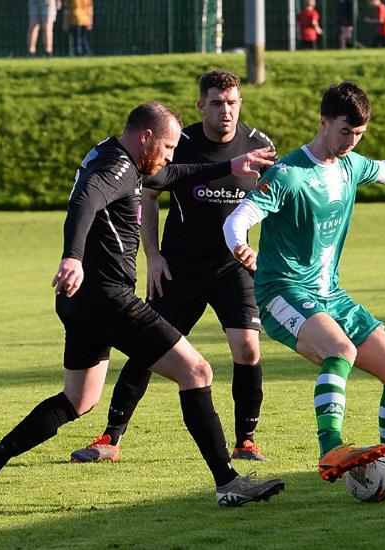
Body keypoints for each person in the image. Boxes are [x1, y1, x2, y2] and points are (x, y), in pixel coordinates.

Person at [0, 102, 285, 511]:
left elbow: (169, 176)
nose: (171, 155)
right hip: (107, 297)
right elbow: (85, 201)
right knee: (197, 371)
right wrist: (72, 256)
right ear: (145, 137)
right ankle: (228, 482)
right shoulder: (115, 167)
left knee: (78, 400)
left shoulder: (120, 157)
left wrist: (230, 165)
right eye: (168, 146)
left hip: (80, 302)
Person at [223, 82, 385, 498]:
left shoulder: (350, 165)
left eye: (359, 134)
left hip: (330, 295)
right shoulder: (289, 174)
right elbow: (238, 217)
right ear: (323, 122)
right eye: (345, 131)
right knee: (340, 350)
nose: (351, 141)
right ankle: (331, 448)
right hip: (282, 291)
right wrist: (239, 245)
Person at [70, 70, 276, 464]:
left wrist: (261, 252)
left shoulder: (259, 145)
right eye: (217, 103)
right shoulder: (181, 143)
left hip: (233, 267)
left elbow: (276, 199)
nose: (226, 110)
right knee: (148, 348)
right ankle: (110, 438)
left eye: (232, 102)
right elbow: (147, 193)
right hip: (180, 267)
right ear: (201, 105)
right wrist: (153, 254)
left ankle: (246, 442)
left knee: (248, 348)